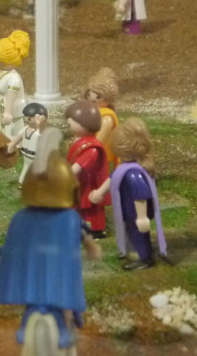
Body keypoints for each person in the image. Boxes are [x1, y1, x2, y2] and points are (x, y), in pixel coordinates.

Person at [0, 127, 102, 354]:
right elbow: (85, 237)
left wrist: (7, 251)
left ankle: (45, 326)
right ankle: (64, 328)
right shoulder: (69, 218)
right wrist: (92, 248)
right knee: (65, 295)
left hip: (38, 269)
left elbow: (15, 240)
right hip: (58, 270)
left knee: (45, 295)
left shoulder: (25, 217)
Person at [88, 118, 168, 270]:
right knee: (128, 231)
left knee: (138, 233)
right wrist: (100, 192)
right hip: (125, 207)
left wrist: (142, 217)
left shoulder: (133, 174)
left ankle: (144, 257)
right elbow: (112, 178)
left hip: (135, 211)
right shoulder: (124, 167)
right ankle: (130, 250)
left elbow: (141, 196)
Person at [65, 100, 110, 238]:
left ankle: (94, 229)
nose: (68, 123)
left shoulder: (92, 148)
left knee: (90, 208)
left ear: (85, 124)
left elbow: (79, 165)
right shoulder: (79, 141)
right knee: (78, 207)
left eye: (72, 121)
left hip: (88, 185)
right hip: (80, 183)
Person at [84, 67, 120, 169]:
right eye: (89, 95)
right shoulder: (90, 112)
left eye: (98, 97)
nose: (92, 99)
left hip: (98, 158)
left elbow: (98, 142)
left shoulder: (106, 119)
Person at [8, 102, 48, 187]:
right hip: (27, 155)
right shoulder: (25, 129)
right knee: (26, 169)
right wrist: (12, 144)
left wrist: (41, 123)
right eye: (26, 117)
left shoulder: (40, 132)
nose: (27, 119)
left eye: (30, 117)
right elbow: (18, 137)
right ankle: (23, 183)